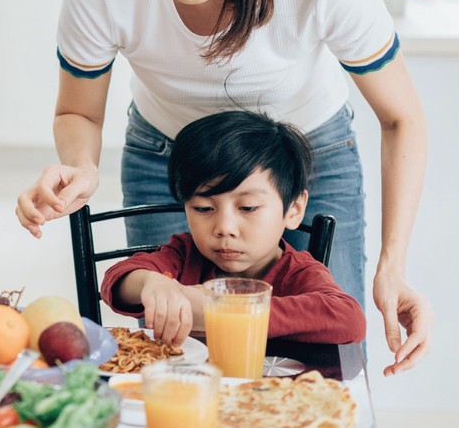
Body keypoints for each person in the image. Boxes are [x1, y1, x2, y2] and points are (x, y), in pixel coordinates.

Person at [14, 0, 430, 375]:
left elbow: (401, 116)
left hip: (304, 156)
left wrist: (393, 264)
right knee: (174, 354)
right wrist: (81, 168)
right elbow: (78, 113)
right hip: (171, 158)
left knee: (326, 356)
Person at [101, 111, 366, 346]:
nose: (225, 228)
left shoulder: (298, 273)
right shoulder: (184, 255)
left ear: (294, 210)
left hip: (271, 396)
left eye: (248, 207)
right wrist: (152, 283)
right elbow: (117, 280)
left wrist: (223, 312)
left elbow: (349, 319)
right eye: (204, 208)